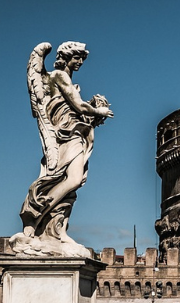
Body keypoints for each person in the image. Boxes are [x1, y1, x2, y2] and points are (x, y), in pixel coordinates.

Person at [16, 41, 113, 257]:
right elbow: (77, 105)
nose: (79, 62)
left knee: (70, 183)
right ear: (66, 57)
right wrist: (100, 111)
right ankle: (36, 217)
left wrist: (91, 114)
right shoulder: (59, 76)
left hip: (74, 132)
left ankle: (57, 230)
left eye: (82, 59)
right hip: (66, 134)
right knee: (73, 179)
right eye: (77, 58)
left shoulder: (59, 80)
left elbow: (74, 108)